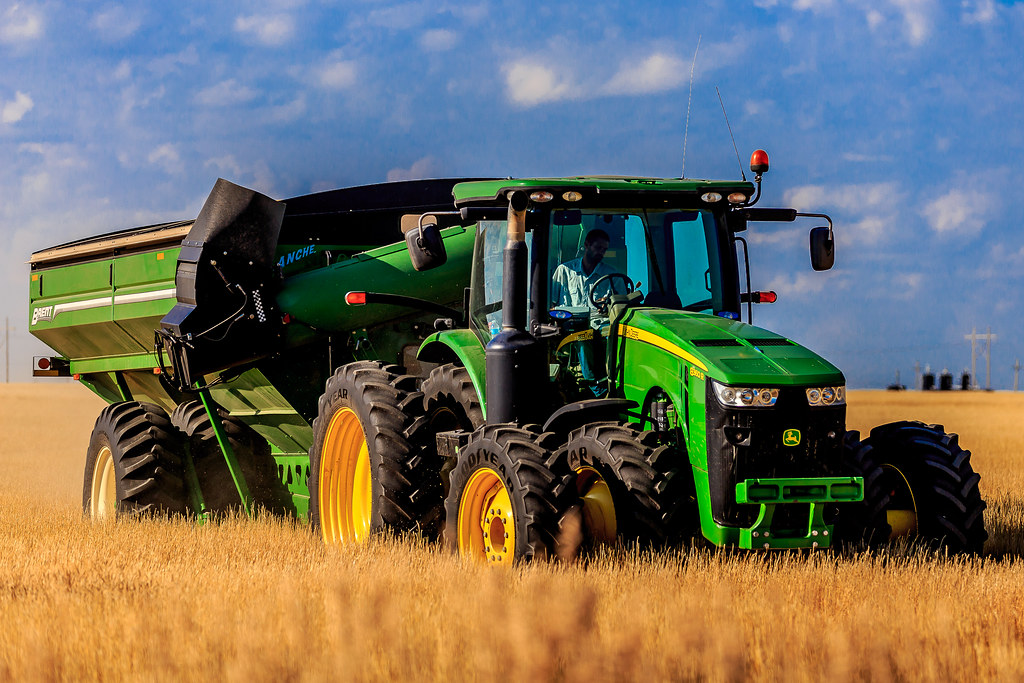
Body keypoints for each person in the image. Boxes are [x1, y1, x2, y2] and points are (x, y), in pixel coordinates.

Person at [550, 228, 619, 310]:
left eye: (604, 249)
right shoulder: (564, 270)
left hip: (599, 321)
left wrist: (609, 303)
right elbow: (551, 304)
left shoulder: (613, 276)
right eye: (598, 248)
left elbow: (621, 306)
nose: (601, 252)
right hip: (567, 320)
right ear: (586, 245)